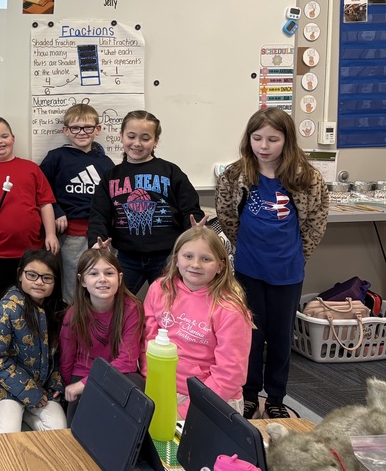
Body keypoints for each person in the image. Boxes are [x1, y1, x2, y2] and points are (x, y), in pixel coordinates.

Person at [215, 108, 328, 420]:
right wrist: (244, 247)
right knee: (249, 336)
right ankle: (250, 394)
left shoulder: (306, 177)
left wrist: (298, 256)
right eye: (257, 138)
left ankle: (276, 396)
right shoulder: (236, 174)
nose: (263, 146)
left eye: (272, 139)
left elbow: (315, 222)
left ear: (287, 141)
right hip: (249, 270)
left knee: (280, 338)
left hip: (288, 272)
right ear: (248, 139)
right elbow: (227, 215)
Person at [87, 110, 204, 296]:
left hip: (167, 257)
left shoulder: (171, 171)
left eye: (145, 138)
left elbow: (189, 209)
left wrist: (195, 229)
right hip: (126, 257)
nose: (137, 143)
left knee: (170, 304)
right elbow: (99, 215)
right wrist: (96, 241)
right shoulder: (110, 177)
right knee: (119, 304)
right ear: (121, 136)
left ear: (156, 140)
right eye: (131, 136)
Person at [143, 227, 251, 418]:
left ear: (221, 266)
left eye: (206, 259)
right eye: (188, 256)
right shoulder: (159, 289)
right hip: (161, 388)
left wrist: (186, 411)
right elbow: (147, 339)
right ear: (176, 259)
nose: (195, 264)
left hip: (212, 398)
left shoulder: (230, 310)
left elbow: (230, 374)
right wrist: (149, 381)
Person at [0, 250, 67, 434]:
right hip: (7, 385)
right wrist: (31, 393)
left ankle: (24, 414)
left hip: (41, 384)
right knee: (5, 436)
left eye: (47, 278)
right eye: (32, 275)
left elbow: (58, 357)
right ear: (20, 275)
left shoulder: (58, 310)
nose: (38, 282)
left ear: (55, 282)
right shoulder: (2, 310)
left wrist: (55, 384)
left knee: (58, 430)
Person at [0, 116, 58, 311]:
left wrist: (51, 234)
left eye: (4, 136)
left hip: (31, 252)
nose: (0, 142)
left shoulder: (31, 168)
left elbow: (45, 203)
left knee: (33, 303)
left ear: (13, 138)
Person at [39, 103, 115, 303]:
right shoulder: (56, 157)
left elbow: (111, 198)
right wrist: (56, 210)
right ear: (66, 130)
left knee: (100, 281)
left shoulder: (105, 163)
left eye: (88, 127)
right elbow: (41, 189)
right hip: (71, 233)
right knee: (74, 284)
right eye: (75, 128)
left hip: (100, 233)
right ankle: (72, 326)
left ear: (97, 130)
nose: (82, 132)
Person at [59, 248, 144, 425]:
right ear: (82, 281)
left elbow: (127, 360)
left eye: (109, 273)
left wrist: (85, 384)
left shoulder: (131, 308)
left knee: (135, 387)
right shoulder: (73, 314)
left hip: (117, 373)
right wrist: (68, 388)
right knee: (78, 425)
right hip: (82, 373)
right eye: (94, 273)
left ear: (119, 279)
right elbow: (66, 359)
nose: (102, 279)